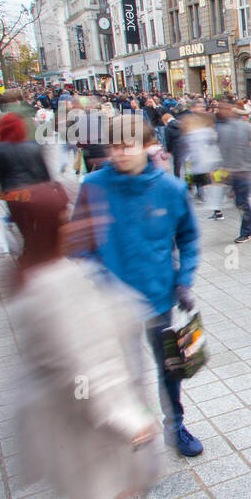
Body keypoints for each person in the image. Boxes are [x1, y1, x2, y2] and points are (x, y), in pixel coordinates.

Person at [11, 181, 159, 499]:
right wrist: (126, 419)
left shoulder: (33, 271)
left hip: (61, 409)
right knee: (116, 474)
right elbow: (82, 364)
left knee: (88, 478)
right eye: (65, 218)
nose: (76, 222)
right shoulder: (56, 284)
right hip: (82, 407)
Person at [72, 115, 203, 458]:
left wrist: (184, 281)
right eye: (113, 146)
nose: (119, 154)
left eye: (127, 146)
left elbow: (188, 238)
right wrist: (96, 279)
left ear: (147, 146)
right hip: (113, 304)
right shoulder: (93, 186)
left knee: (170, 369)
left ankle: (176, 426)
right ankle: (138, 429)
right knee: (129, 373)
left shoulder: (171, 189)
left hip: (159, 298)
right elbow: (79, 242)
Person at [213, 97, 251, 243]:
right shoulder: (222, 127)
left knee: (242, 202)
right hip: (232, 170)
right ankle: (247, 231)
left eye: (223, 108)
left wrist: (245, 168)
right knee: (239, 202)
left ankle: (247, 232)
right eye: (219, 108)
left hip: (241, 171)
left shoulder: (241, 126)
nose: (220, 111)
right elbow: (221, 150)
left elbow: (246, 148)